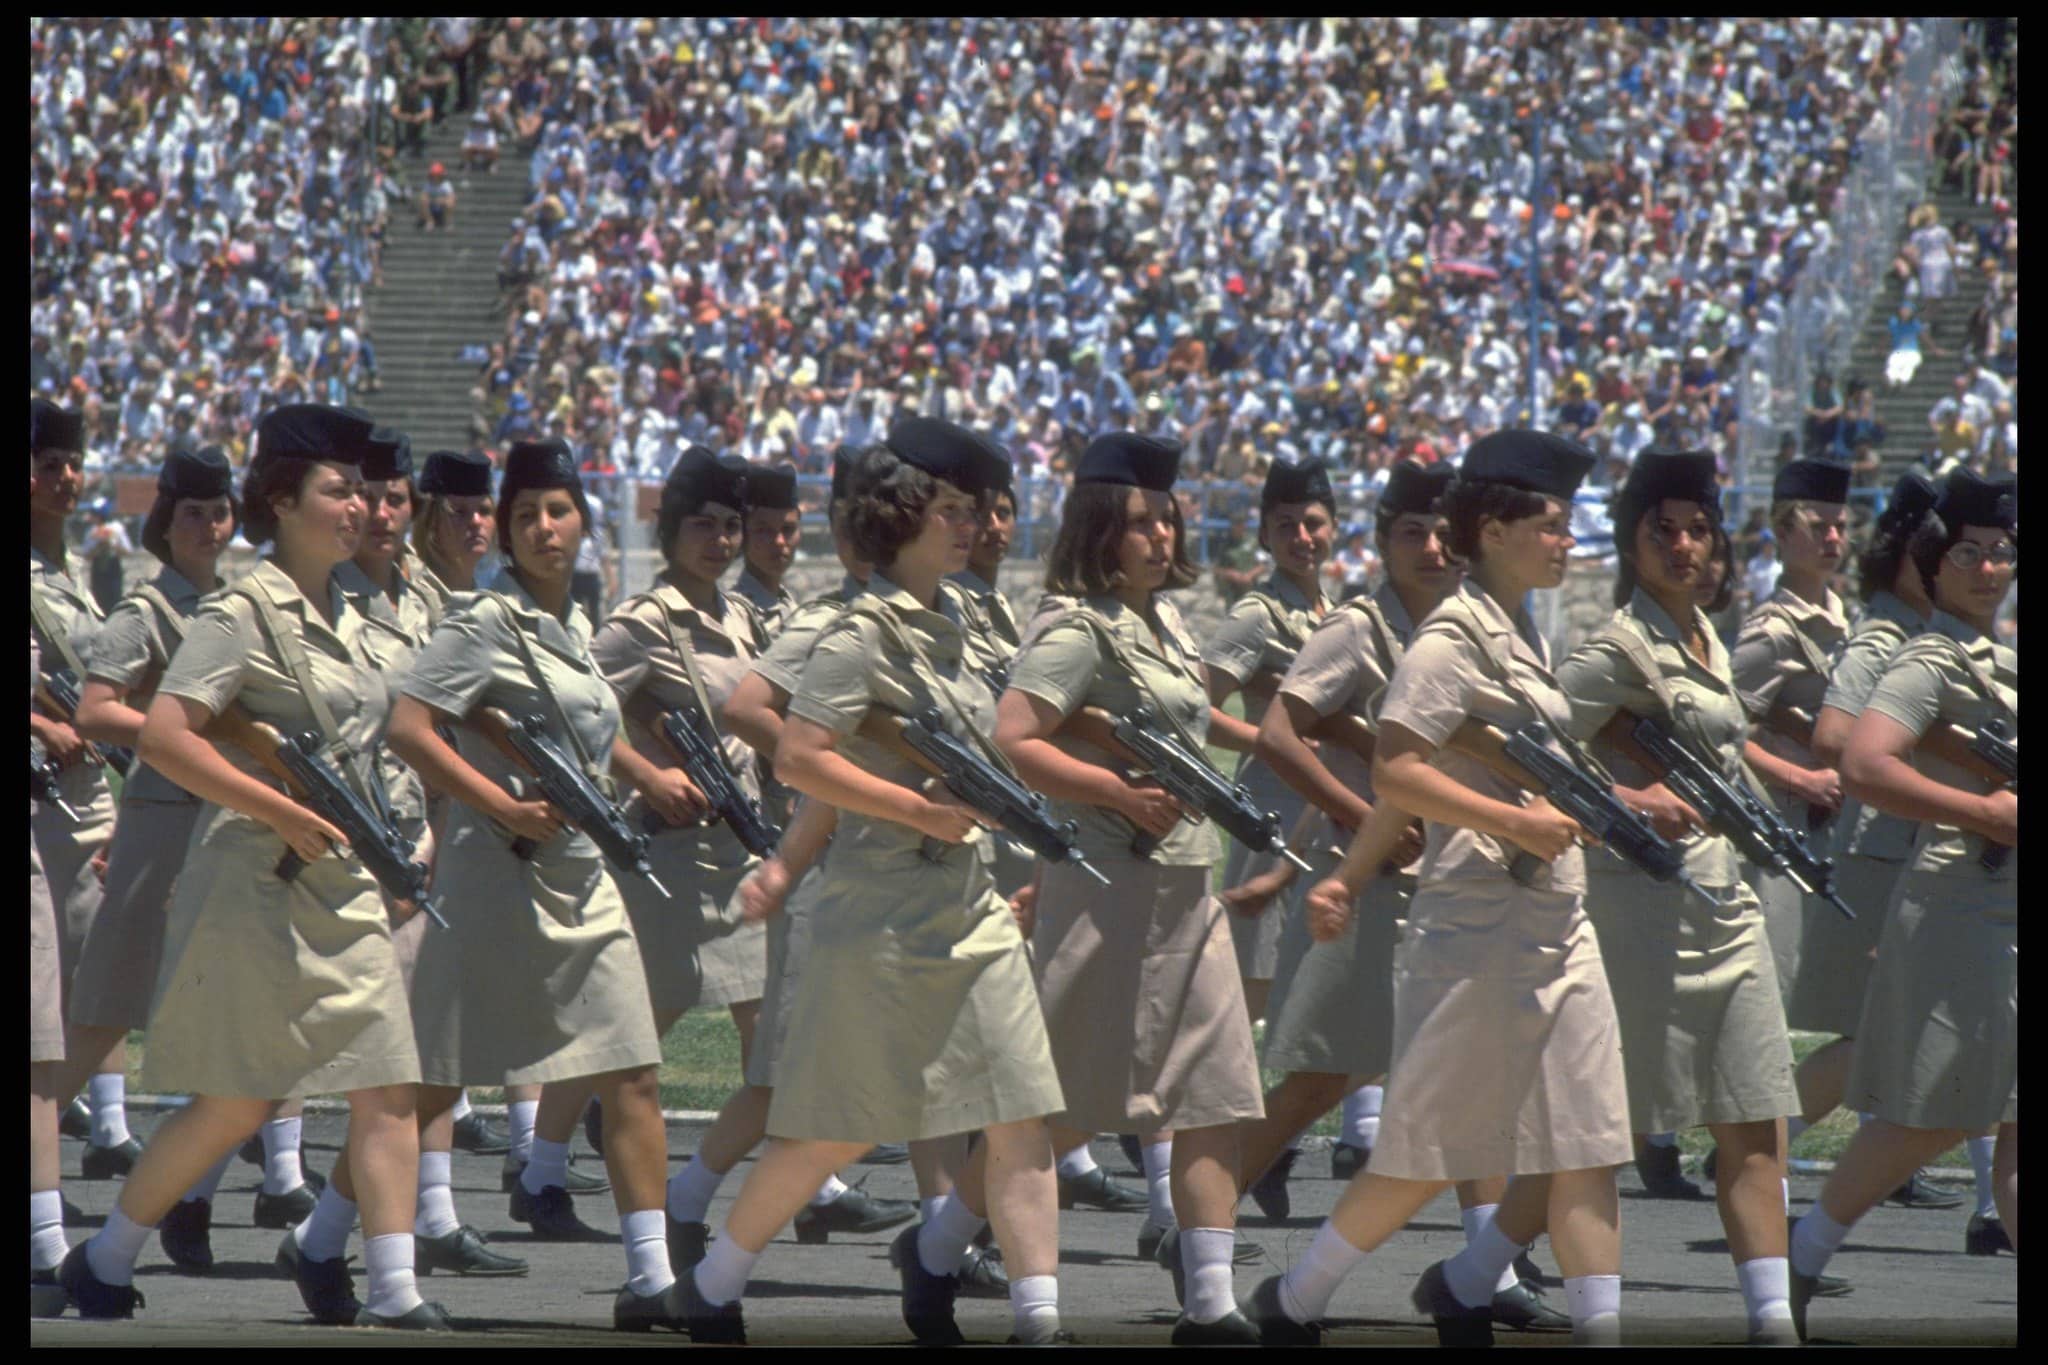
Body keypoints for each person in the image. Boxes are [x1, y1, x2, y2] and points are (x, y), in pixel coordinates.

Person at [674, 421, 1069, 1346]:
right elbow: (803, 759)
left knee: (1020, 1110)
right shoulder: (855, 635)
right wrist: (905, 814)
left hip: (967, 905)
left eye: (971, 509)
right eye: (950, 510)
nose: (969, 525)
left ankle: (1039, 1319)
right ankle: (715, 1280)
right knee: (836, 1130)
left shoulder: (958, 626)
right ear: (902, 520)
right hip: (881, 916)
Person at [63, 403, 440, 1330]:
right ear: (282, 500)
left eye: (364, 491)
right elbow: (165, 734)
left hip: (343, 880)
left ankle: (393, 1288)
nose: (360, 507)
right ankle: (104, 1257)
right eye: (339, 490)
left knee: (389, 1084)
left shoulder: (357, 613)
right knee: (235, 1101)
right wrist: (280, 808)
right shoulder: (239, 614)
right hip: (254, 882)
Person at [1254, 430, 1632, 1348]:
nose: (1566, 540)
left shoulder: (1521, 633)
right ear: (1494, 531)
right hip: (1476, 926)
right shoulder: (1451, 639)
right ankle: (1297, 1297)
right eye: (1550, 523)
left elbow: (1481, 768)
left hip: (1554, 918)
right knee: (1426, 1150)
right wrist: (1513, 825)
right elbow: (1397, 770)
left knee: (1588, 1143)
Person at [384, 438, 685, 1328]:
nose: (545, 527)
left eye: (559, 511)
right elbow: (408, 724)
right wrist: (500, 806)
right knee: (435, 1082)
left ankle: (653, 1279)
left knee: (631, 1069)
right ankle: (324, 1238)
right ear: (507, 532)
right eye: (525, 515)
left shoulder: (575, 624)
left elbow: (583, 731)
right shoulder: (484, 621)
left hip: (579, 876)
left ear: (584, 522)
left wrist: (642, 773)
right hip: (493, 875)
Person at [996, 432, 1268, 1343]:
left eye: (1168, 520)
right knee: (1054, 1103)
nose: (1162, 535)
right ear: (1098, 529)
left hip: (1189, 887)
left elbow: (1188, 722)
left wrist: (1270, 743)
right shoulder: (1077, 629)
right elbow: (1015, 736)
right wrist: (1115, 791)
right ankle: (945, 1242)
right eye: (1142, 522)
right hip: (1106, 891)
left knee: (1216, 1095)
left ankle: (1211, 1300)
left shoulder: (1167, 624)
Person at [1554, 448, 1802, 1343]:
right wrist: (1627, 798)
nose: (1685, 546)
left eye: (1700, 531)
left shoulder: (1706, 640)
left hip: (1726, 906)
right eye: (1665, 531)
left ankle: (1774, 1319)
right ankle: (1477, 1272)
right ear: (1632, 543)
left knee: (1753, 1120)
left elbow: (1723, 760)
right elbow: (1529, 750)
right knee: (1599, 1132)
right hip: (1641, 913)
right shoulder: (1613, 650)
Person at [68, 447, 319, 1271]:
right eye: (192, 514)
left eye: (219, 513)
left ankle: (225, 1187)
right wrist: (183, 733)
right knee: (106, 1006)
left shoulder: (239, 608)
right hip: (162, 819)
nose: (210, 528)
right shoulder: (143, 611)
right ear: (163, 523)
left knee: (253, 1008)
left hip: (228, 822)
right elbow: (96, 711)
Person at [1790, 470, 2018, 1338]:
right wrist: (1983, 811)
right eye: (1968, 553)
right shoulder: (1929, 659)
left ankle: (1801, 1251)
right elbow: (1861, 760)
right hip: (1963, 905)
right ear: (1935, 560)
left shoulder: (1995, 656)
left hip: (2002, 907)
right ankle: (1803, 1250)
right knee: (1930, 1117)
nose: (1988, 568)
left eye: (2002, 552)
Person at [574, 450, 778, 1269]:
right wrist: (647, 773)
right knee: (630, 1054)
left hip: (741, 855)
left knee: (776, 1057)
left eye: (731, 525)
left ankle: (689, 1196)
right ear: (668, 531)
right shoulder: (643, 623)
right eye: (702, 524)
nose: (719, 539)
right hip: (671, 859)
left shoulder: (744, 617)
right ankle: (601, 1194)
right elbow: (575, 708)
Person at [406, 447, 551, 1165]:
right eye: (458, 512)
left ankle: (527, 1146)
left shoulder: (488, 598)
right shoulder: (411, 598)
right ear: (429, 518)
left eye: (481, 512)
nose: (474, 525)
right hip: (421, 807)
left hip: (473, 805)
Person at [28, 400, 130, 1184]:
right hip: (41, 797)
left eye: (73, 463)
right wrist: (42, 724)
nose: (66, 477)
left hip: (85, 795)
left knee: (104, 975)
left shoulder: (68, 570)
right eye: (49, 464)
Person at [1204, 459, 1335, 1025]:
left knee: (1318, 973)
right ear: (1264, 534)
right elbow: (1195, 709)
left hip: (1327, 806)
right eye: (1285, 525)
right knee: (1254, 979)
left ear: (1334, 528)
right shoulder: (1257, 615)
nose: (1301, 537)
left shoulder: (1337, 613)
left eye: (1313, 523)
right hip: (1273, 805)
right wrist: (1269, 742)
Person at [1730, 462, 1850, 1039]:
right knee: (1776, 995)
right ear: (1781, 533)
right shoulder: (1772, 631)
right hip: (1782, 827)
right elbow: (1722, 734)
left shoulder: (1840, 616)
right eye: (1818, 526)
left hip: (1826, 826)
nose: (1833, 538)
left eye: (1840, 526)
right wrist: (1800, 780)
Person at [733, 461, 801, 636]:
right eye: (764, 530)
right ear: (743, 533)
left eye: (788, 529)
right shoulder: (732, 615)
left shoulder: (794, 610)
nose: (779, 541)